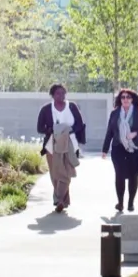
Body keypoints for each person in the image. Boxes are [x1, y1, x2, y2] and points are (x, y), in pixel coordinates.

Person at [36, 84, 86, 213]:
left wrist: (68, 130)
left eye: (63, 93)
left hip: (70, 143)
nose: (61, 96)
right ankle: (63, 201)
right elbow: (40, 128)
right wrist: (53, 130)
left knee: (66, 172)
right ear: (52, 95)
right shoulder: (46, 109)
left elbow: (80, 124)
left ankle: (58, 199)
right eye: (58, 93)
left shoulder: (72, 107)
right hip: (52, 144)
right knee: (55, 173)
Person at [102, 88, 138, 213]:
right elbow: (110, 132)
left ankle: (131, 203)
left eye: (128, 97)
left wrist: (135, 134)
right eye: (123, 97)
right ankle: (120, 202)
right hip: (118, 148)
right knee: (119, 175)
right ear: (120, 100)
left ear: (132, 99)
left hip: (134, 148)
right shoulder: (115, 113)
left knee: (133, 175)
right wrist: (105, 149)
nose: (125, 99)